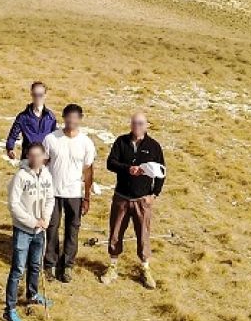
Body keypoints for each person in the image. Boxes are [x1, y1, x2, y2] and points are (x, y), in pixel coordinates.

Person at [103, 110, 166, 289]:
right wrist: (127, 169)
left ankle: (145, 269)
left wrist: (154, 195)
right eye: (134, 123)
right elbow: (110, 163)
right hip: (121, 197)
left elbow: (162, 173)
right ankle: (113, 266)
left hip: (142, 200)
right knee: (115, 233)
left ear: (147, 125)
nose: (136, 127)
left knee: (143, 235)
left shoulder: (154, 146)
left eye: (140, 123)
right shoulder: (121, 142)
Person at [43, 103, 95, 283]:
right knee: (52, 227)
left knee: (72, 229)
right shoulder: (51, 139)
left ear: (80, 119)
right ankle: (50, 263)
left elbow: (88, 170)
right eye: (69, 117)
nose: (72, 121)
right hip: (53, 192)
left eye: (75, 118)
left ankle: (67, 265)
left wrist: (87, 197)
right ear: (63, 117)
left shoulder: (86, 142)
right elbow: (43, 163)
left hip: (74, 193)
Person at [4, 141, 54, 321]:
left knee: (35, 265)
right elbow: (13, 205)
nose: (34, 159)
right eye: (31, 155)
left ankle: (32, 294)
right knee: (17, 269)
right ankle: (9, 308)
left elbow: (50, 198)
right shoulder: (21, 176)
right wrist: (32, 222)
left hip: (40, 230)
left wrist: (46, 219)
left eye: (37, 156)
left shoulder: (47, 175)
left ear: (43, 157)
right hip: (24, 230)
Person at [5, 81, 57, 161]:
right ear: (31, 95)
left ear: (45, 95)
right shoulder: (22, 117)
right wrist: (10, 149)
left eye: (40, 95)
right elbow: (12, 135)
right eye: (35, 95)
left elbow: (55, 139)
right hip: (28, 160)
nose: (37, 98)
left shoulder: (50, 117)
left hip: (45, 161)